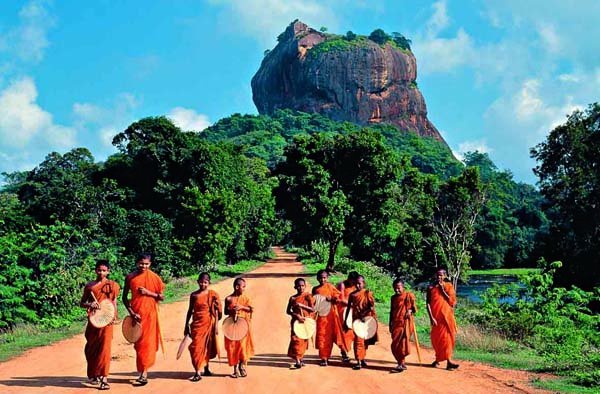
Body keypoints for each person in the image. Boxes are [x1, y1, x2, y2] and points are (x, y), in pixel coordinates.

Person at [122, 253, 165, 385]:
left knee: (147, 344)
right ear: (137, 263)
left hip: (150, 315)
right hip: (136, 315)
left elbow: (161, 297)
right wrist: (132, 313)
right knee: (138, 344)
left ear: (150, 264)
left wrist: (148, 293)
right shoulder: (130, 277)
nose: (143, 266)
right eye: (141, 263)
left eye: (146, 264)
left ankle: (143, 374)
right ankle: (142, 370)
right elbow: (124, 298)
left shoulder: (154, 277)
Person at [80, 260, 120, 391]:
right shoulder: (90, 286)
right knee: (91, 348)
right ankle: (94, 374)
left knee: (104, 349)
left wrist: (114, 316)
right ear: (95, 270)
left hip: (107, 321)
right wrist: (90, 304)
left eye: (104, 270)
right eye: (99, 270)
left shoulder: (112, 285)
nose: (101, 272)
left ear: (108, 271)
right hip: (94, 321)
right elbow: (82, 303)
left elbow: (113, 301)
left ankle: (104, 378)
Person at [183, 272, 222, 381]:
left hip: (208, 323)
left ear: (209, 283)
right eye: (201, 282)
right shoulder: (194, 295)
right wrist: (186, 325)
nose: (203, 284)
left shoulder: (213, 294)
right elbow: (190, 310)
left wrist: (216, 308)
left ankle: (204, 370)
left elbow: (220, 312)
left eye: (205, 282)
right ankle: (197, 371)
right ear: (197, 282)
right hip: (197, 324)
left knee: (206, 346)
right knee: (196, 347)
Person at [426, 268, 459, 370]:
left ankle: (449, 361)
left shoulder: (449, 286)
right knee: (437, 340)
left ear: (445, 276)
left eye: (441, 275)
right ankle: (437, 359)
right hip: (436, 318)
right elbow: (427, 304)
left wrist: (442, 289)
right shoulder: (431, 287)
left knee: (447, 339)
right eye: (438, 275)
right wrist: (431, 318)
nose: (439, 277)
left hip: (447, 318)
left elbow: (452, 302)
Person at [312, 270, 346, 366]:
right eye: (321, 278)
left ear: (327, 278)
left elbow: (338, 298)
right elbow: (314, 303)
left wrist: (332, 299)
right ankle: (324, 358)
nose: (322, 279)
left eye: (324, 278)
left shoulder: (330, 287)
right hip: (322, 318)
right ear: (317, 278)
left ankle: (344, 352)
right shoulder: (315, 289)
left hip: (332, 315)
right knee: (323, 336)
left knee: (337, 335)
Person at [344, 275, 378, 370]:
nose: (358, 285)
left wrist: (364, 314)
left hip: (367, 320)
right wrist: (346, 321)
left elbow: (371, 307)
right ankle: (358, 360)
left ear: (364, 283)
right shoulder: (352, 295)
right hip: (357, 321)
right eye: (356, 284)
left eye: (360, 283)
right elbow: (348, 308)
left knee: (365, 341)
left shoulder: (368, 293)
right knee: (358, 341)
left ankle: (362, 359)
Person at [224, 278, 254, 378]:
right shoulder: (228, 299)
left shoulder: (246, 298)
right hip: (232, 326)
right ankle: (235, 369)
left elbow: (251, 309)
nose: (244, 289)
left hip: (243, 326)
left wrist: (242, 307)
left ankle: (241, 366)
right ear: (237, 287)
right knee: (233, 347)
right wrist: (231, 310)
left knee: (242, 347)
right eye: (243, 286)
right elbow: (225, 312)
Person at [286, 278, 315, 369]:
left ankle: (300, 358)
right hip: (296, 322)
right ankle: (298, 361)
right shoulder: (293, 298)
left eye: (302, 286)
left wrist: (301, 305)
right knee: (296, 340)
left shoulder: (308, 296)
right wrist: (296, 315)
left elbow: (313, 309)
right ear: (295, 287)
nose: (300, 287)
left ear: (305, 286)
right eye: (298, 286)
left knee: (303, 341)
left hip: (306, 321)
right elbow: (288, 311)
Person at [389, 278, 417, 372]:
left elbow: (414, 308)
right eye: (395, 288)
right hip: (396, 323)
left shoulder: (408, 296)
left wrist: (410, 310)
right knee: (395, 345)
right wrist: (390, 323)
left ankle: (400, 364)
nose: (397, 290)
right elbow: (391, 311)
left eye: (398, 288)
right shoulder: (393, 298)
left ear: (403, 287)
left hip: (405, 324)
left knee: (403, 345)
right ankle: (402, 363)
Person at [336, 271, 359, 363]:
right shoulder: (342, 285)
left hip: (354, 311)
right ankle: (344, 352)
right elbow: (341, 299)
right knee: (345, 331)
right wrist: (352, 305)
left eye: (354, 281)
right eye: (351, 280)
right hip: (344, 311)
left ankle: (357, 353)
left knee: (354, 332)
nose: (352, 283)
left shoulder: (356, 286)